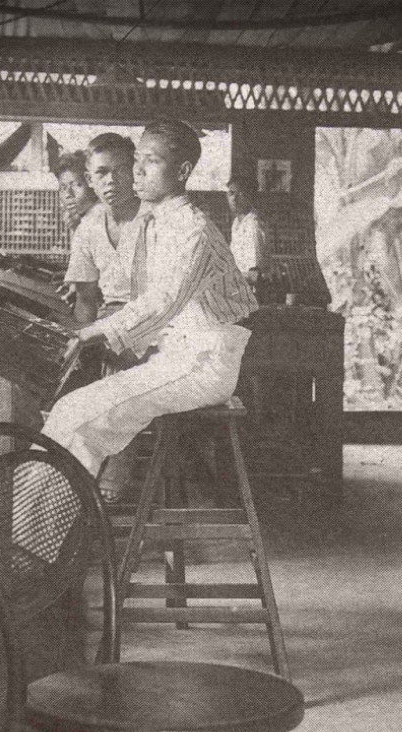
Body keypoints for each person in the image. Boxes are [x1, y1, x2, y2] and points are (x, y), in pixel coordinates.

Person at [42, 118, 257, 486]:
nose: (137, 171)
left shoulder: (194, 228)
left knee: (78, 416)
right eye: (137, 159)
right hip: (177, 358)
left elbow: (163, 301)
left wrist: (93, 333)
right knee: (69, 412)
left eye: (151, 161)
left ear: (182, 171)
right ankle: (38, 534)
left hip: (205, 364)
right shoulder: (155, 224)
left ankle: (41, 537)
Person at [62, 134, 142, 325]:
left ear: (135, 173)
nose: (111, 180)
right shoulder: (88, 228)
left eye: (121, 170)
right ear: (89, 179)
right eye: (102, 172)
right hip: (111, 324)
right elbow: (85, 301)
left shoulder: (160, 220)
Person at [226, 175, 267, 287]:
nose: (234, 199)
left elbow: (254, 276)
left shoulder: (252, 224)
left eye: (240, 194)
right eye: (231, 193)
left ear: (250, 197)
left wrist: (223, 277)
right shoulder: (237, 223)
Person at [54, 150, 97, 235]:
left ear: (90, 184)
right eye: (63, 188)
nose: (68, 194)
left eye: (77, 185)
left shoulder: (103, 215)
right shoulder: (74, 219)